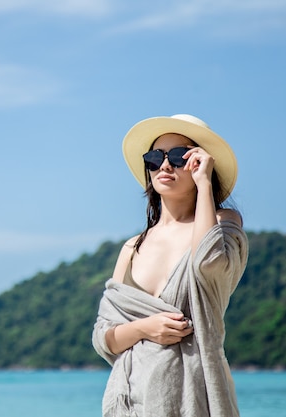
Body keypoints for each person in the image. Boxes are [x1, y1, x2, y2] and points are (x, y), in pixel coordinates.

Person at [92, 114, 249, 417]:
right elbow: (105, 337)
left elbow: (209, 260)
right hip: (130, 399)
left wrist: (204, 185)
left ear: (201, 162)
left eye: (178, 156)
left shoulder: (224, 223)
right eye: (154, 157)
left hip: (194, 398)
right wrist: (144, 328)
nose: (164, 165)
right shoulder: (132, 247)